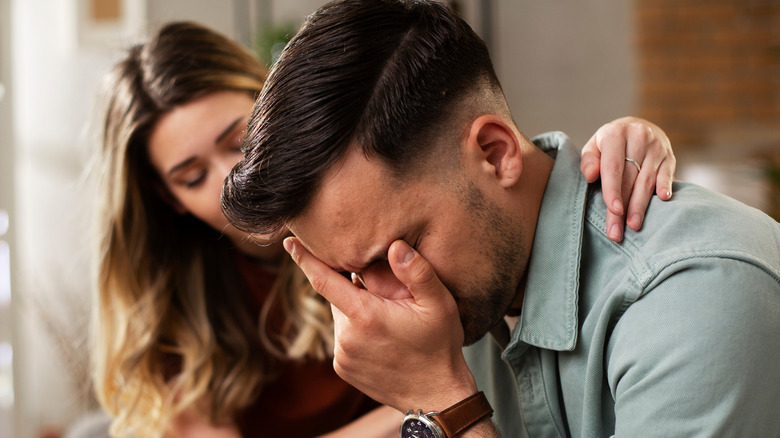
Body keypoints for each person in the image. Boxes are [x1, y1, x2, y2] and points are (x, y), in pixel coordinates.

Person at [91, 18, 674, 438]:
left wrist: (621, 142)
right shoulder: (172, 309)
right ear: (165, 198)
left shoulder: (404, 220)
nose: (228, 182)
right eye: (192, 177)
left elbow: (505, 188)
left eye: (239, 142)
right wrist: (431, 404)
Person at [221, 1, 780, 437]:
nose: (389, 304)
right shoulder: (471, 294)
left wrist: (444, 405)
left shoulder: (695, 295)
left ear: (495, 153)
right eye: (354, 276)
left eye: (398, 251)